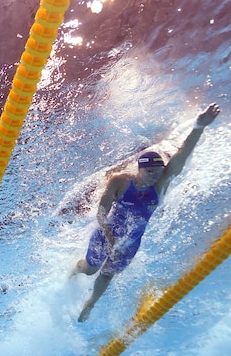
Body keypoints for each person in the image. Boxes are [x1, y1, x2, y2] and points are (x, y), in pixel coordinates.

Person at [73, 103, 221, 322]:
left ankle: (90, 303)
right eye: (150, 171)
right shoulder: (120, 182)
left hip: (131, 242)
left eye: (159, 171)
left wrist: (199, 126)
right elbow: (101, 213)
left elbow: (181, 155)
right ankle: (73, 270)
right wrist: (111, 239)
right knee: (90, 270)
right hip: (106, 233)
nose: (155, 176)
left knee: (107, 274)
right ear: (139, 168)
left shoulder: (160, 184)